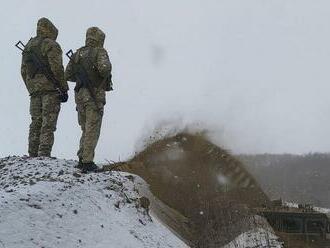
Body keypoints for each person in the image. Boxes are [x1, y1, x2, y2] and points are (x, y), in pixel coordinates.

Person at [65, 27, 112, 173]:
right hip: (94, 95)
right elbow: (104, 69)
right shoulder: (100, 51)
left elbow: (67, 74)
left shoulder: (78, 53)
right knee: (93, 128)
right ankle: (87, 162)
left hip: (80, 95)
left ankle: (82, 158)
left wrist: (82, 76)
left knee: (85, 127)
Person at [20, 17, 68, 157]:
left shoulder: (28, 46)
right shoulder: (51, 44)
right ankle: (44, 154)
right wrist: (63, 87)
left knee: (36, 121)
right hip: (50, 89)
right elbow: (57, 68)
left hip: (34, 91)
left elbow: (23, 71)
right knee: (48, 121)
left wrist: (31, 87)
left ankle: (32, 153)